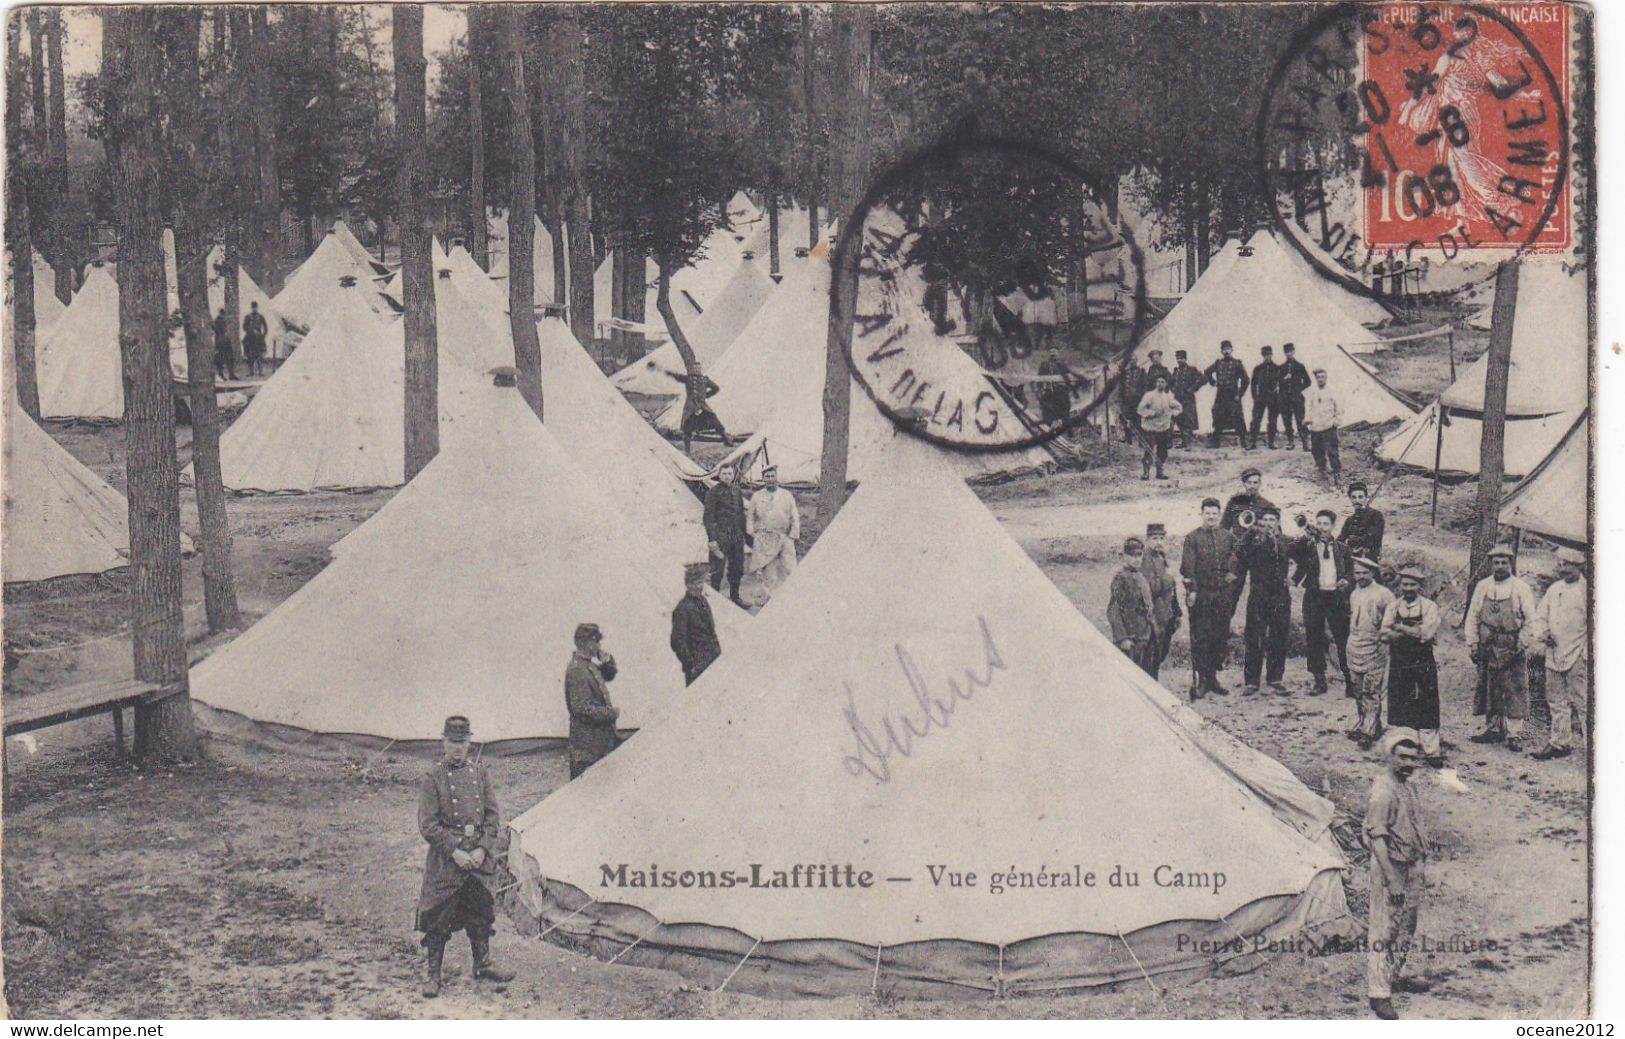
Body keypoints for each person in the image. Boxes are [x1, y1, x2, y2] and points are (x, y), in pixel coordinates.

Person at [416, 715, 515, 998]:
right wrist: (455, 851)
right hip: (448, 861)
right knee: (438, 916)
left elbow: (493, 817)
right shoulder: (432, 778)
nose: (458, 747)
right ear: (443, 742)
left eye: (463, 742)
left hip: (477, 859)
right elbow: (428, 825)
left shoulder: (480, 773)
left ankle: (483, 963)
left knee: (481, 910)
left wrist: (483, 848)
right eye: (453, 742)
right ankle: (433, 975)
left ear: (469, 742)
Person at [1364, 727, 1431, 1020]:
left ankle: (1392, 976)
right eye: (1402, 757)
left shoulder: (1407, 785)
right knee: (1384, 930)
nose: (1408, 764)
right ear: (1389, 756)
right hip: (1390, 867)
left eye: (1413, 759)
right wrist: (1392, 879)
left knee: (1406, 926)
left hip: (1410, 863)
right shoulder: (1383, 790)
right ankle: (1378, 995)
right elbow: (1377, 837)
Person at [1466, 544, 1537, 752]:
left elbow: (1531, 620)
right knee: (1490, 686)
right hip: (1488, 644)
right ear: (1491, 564)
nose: (1499, 566)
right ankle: (1493, 728)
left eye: (1503, 562)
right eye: (1496, 562)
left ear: (1510, 564)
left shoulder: (1521, 587)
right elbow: (1473, 615)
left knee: (1514, 688)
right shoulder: (1483, 586)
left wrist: (1521, 643)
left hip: (1511, 644)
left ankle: (1514, 733)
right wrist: (1473, 642)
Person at [1381, 567, 1444, 765]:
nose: (1408, 588)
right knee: (1399, 696)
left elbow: (1426, 634)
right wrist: (1411, 631)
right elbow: (1383, 634)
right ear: (1400, 585)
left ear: (1420, 586)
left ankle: (1431, 750)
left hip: (1422, 658)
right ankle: (1402, 745)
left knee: (1427, 699)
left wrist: (1398, 628)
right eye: (1405, 584)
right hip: (1400, 659)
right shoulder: (1393, 606)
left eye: (1412, 585)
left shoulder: (1429, 606)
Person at [1530, 547, 1588, 760]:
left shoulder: (1588, 591)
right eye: (1561, 564)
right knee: (1556, 699)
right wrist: (1543, 632)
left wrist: (1587, 654)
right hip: (1554, 652)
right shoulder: (1554, 589)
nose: (1563, 569)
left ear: (1579, 565)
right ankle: (1560, 742)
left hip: (1578, 653)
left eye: (1568, 565)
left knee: (1583, 701)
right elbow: (1540, 615)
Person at [1180, 497, 1239, 699]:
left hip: (1223, 593)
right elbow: (1187, 567)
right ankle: (1202, 680)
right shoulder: (1192, 538)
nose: (1211, 517)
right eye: (1208, 513)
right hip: (1203, 593)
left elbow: (1237, 557)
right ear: (1202, 514)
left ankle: (1213, 677)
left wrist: (1233, 572)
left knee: (1220, 634)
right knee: (1201, 635)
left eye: (1215, 513)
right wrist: (1193, 591)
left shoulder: (1228, 536)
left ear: (1219, 514)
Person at [1289, 509, 1353, 695]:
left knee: (1343, 639)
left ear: (1333, 526)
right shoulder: (1308, 546)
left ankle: (1350, 681)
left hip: (1336, 598)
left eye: (1325, 524)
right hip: (1314, 597)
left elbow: (1351, 572)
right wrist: (1306, 536)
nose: (1322, 528)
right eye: (1319, 524)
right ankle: (1319, 680)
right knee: (1314, 638)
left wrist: (1346, 581)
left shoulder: (1343, 549)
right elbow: (1291, 551)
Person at [1232, 507, 1292, 695]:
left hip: (1281, 595)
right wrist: (1251, 533)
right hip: (1258, 593)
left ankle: (1275, 678)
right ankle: (1251, 681)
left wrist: (1296, 578)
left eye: (1272, 520)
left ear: (1278, 522)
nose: (1268, 523)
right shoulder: (1253, 540)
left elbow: (1307, 558)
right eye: (1265, 520)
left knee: (1279, 636)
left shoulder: (1286, 541)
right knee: (1254, 636)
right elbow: (1239, 553)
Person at [1346, 557, 1396, 747]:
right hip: (1355, 646)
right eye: (1357, 573)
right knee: (1357, 689)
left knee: (1371, 690)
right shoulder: (1354, 594)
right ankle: (1365, 722)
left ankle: (1369, 730)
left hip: (1374, 647)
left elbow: (1390, 621)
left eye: (1364, 573)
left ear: (1372, 573)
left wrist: (1383, 639)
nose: (1360, 577)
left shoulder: (1384, 594)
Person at [564, 623, 620, 779]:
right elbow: (581, 709)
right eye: (595, 642)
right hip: (587, 749)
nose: (598, 645)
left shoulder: (588, 665)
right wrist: (611, 714)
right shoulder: (577, 670)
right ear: (585, 643)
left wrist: (607, 660)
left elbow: (609, 675)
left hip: (597, 745)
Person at [1108, 537, 1160, 676]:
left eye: (1139, 555)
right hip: (1132, 636)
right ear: (1124, 556)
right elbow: (1114, 610)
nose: (1136, 559)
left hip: (1146, 634)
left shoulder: (1141, 577)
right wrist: (1122, 638)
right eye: (1132, 555)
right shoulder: (1120, 579)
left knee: (1148, 672)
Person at [746, 465, 800, 595]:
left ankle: (792, 594)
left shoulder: (786, 495)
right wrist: (752, 532)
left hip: (784, 536)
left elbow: (794, 515)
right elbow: (750, 516)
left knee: (789, 566)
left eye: (772, 476)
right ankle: (769, 595)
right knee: (768, 569)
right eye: (767, 477)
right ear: (763, 479)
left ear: (776, 477)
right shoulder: (757, 496)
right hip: (765, 537)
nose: (770, 479)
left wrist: (793, 534)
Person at [703, 463, 748, 605]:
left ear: (733, 475)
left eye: (729, 473)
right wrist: (712, 539)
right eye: (724, 474)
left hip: (736, 536)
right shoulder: (712, 492)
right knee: (717, 569)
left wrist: (744, 536)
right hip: (720, 536)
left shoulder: (737, 491)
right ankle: (714, 602)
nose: (727, 476)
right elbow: (708, 517)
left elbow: (741, 514)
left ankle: (735, 597)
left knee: (737, 568)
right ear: (719, 475)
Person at [670, 563, 721, 685]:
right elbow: (677, 641)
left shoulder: (703, 600)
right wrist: (690, 665)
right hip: (698, 666)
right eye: (701, 582)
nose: (703, 586)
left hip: (713, 658)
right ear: (690, 584)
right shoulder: (683, 608)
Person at [1143, 523, 1183, 678]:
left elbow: (1171, 590)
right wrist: (1168, 577)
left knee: (1160, 653)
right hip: (1153, 617)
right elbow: (1151, 588)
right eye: (1154, 538)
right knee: (1151, 656)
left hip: (1166, 614)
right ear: (1147, 540)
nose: (1159, 542)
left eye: (1161, 538)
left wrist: (1177, 612)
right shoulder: (1144, 559)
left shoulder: (1161, 557)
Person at [1205, 340, 1249, 448]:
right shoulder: (1218, 363)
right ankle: (1216, 442)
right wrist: (1213, 382)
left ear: (1232, 350)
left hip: (1233, 394)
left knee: (1238, 417)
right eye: (1224, 349)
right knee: (1218, 415)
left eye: (1228, 349)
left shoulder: (1237, 364)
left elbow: (1246, 380)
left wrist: (1239, 394)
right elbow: (1207, 372)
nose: (1226, 351)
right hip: (1221, 394)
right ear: (1221, 351)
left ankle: (1244, 441)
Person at [1136, 373, 1181, 480]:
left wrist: (1173, 413)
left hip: (1163, 428)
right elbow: (1140, 409)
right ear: (1155, 383)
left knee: (1162, 450)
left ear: (1166, 384)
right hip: (1150, 427)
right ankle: (1146, 472)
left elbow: (1179, 407)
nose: (1160, 384)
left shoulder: (1168, 397)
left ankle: (1159, 472)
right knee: (1149, 449)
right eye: (1158, 382)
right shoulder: (1149, 396)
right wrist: (1151, 413)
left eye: (1163, 382)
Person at [1303, 367, 1343, 481]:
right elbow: (1308, 407)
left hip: (1328, 425)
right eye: (1318, 377)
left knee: (1332, 451)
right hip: (1316, 427)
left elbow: (1339, 407)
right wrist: (1308, 420)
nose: (1320, 379)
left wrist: (1336, 421)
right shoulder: (1311, 392)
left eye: (1322, 377)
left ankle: (1336, 473)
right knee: (1317, 451)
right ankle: (1322, 470)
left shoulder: (1332, 391)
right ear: (1315, 379)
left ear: (1326, 378)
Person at [676, 370, 727, 455]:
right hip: (690, 407)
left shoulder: (705, 380)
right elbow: (676, 376)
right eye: (695, 369)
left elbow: (716, 388)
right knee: (687, 428)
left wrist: (706, 396)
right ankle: (687, 450)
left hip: (702, 406)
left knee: (714, 420)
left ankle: (726, 440)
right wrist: (663, 370)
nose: (697, 371)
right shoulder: (688, 379)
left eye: (698, 369)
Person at [1338, 481, 1386, 561]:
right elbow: (1340, 540)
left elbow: (1373, 539)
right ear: (1350, 499)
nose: (1357, 501)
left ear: (1366, 497)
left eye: (1360, 497)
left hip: (1369, 560)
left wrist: (1350, 540)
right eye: (1353, 497)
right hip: (1352, 560)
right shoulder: (1349, 520)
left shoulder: (1375, 515)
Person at [1277, 342, 1312, 450]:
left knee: (1300, 420)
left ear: (1294, 352)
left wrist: (1297, 389)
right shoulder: (1281, 367)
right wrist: (1284, 379)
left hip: (1296, 397)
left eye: (1291, 352)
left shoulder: (1300, 366)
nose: (1289, 354)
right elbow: (1277, 382)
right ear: (1284, 353)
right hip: (1285, 398)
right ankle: (1290, 442)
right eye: (1287, 352)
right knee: (1287, 420)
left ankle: (1305, 443)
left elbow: (1308, 382)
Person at [1248, 345, 1280, 450]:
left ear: (1272, 354)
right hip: (1260, 397)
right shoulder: (1258, 369)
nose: (1268, 357)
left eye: (1269, 354)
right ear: (1262, 356)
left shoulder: (1277, 368)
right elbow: (1253, 384)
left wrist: (1277, 394)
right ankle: (1252, 442)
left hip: (1273, 398)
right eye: (1265, 355)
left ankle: (1271, 442)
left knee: (1272, 421)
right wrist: (1255, 397)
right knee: (1256, 420)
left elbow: (1281, 383)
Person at [1170, 349, 1204, 450]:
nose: (1179, 360)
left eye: (1181, 358)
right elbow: (1170, 382)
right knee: (1179, 420)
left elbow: (1203, 379)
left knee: (1188, 420)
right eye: (1178, 358)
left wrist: (1193, 388)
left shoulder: (1192, 370)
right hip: (1178, 399)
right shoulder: (1176, 371)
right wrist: (1172, 389)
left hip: (1188, 399)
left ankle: (1188, 444)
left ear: (1185, 359)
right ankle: (1184, 442)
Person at [1035, 349, 1073, 426]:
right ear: (1049, 354)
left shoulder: (1062, 365)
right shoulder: (1044, 365)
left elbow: (1068, 378)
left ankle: (1068, 431)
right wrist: (1040, 388)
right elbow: (1040, 378)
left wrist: (1067, 389)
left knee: (1065, 411)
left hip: (1061, 392)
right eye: (1051, 352)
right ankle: (1046, 430)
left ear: (1058, 354)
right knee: (1047, 411)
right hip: (1049, 392)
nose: (1053, 354)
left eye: (1055, 352)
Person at [1117, 359, 1146, 441]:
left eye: (1133, 360)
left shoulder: (1141, 372)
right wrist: (1121, 400)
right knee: (1124, 418)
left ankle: (1140, 439)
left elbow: (1144, 387)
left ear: (1136, 361)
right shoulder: (1125, 373)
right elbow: (1121, 388)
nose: (1132, 362)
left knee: (1138, 420)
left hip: (1137, 401)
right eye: (1130, 361)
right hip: (1126, 401)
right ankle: (1128, 437)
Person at [241, 301, 269, 376]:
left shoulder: (261, 317)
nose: (254, 309)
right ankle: (251, 371)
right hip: (250, 338)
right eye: (253, 308)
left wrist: (263, 335)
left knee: (259, 355)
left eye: (255, 307)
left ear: (257, 308)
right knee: (250, 355)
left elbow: (265, 327)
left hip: (258, 339)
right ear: (251, 308)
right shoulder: (248, 317)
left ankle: (260, 371)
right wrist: (251, 330)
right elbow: (244, 326)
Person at [212, 306, 237, 381]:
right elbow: (215, 330)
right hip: (220, 342)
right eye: (221, 313)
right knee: (219, 359)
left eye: (223, 313)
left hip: (227, 342)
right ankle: (220, 374)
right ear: (219, 313)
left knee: (230, 358)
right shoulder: (216, 321)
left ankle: (231, 374)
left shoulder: (225, 320)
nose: (222, 314)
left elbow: (227, 330)